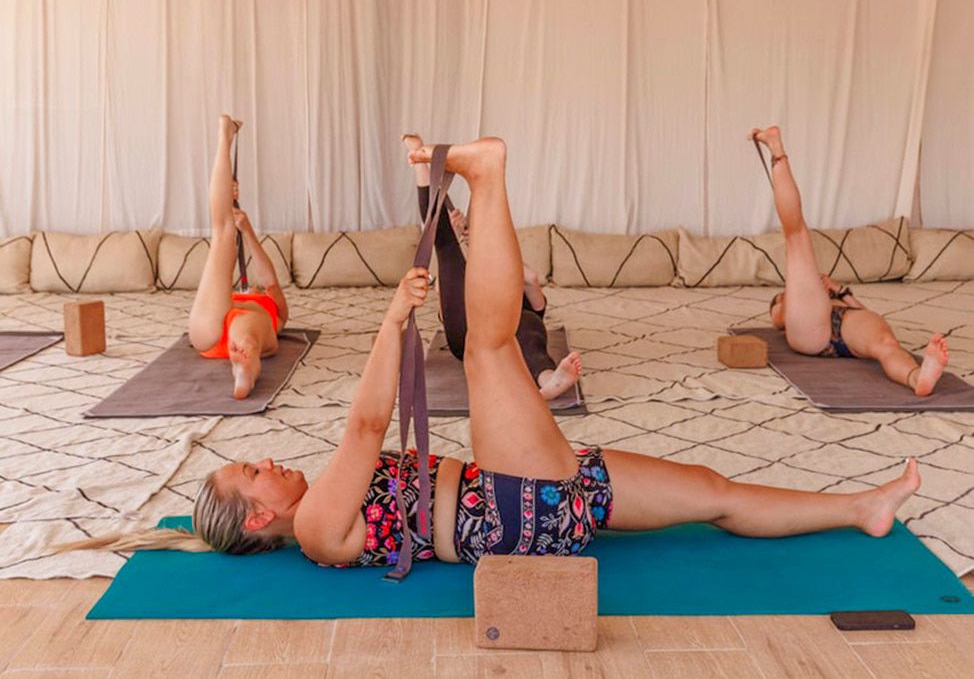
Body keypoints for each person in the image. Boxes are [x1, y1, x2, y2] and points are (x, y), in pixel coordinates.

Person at [58, 138, 921, 568]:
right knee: (488, 347)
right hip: (518, 506)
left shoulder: (319, 502)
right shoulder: (318, 527)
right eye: (254, 472)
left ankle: (861, 508)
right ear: (257, 519)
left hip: (535, 486)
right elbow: (367, 422)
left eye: (254, 458)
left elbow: (369, 427)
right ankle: (491, 175)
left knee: (716, 492)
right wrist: (392, 318)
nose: (269, 460)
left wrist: (399, 316)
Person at [753, 125, 949, 396]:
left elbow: (863, 311)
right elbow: (779, 320)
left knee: (886, 344)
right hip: (814, 332)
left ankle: (917, 378)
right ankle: (777, 150)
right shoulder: (783, 307)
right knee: (796, 236)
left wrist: (841, 292)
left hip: (848, 322)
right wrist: (792, 296)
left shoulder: (831, 298)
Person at [401, 133, 580, 402]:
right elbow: (445, 301)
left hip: (509, 334)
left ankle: (549, 381)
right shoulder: (474, 275)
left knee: (526, 327)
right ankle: (421, 164)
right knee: (445, 245)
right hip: (468, 335)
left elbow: (531, 278)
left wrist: (479, 246)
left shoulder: (526, 306)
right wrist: (458, 237)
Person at [188, 115, 289, 400]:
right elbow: (269, 280)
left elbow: (268, 277)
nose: (254, 287)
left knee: (223, 234)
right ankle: (247, 363)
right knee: (223, 233)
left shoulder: (274, 311)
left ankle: (225, 137)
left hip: (208, 332)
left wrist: (247, 230)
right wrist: (240, 223)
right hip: (219, 326)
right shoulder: (268, 306)